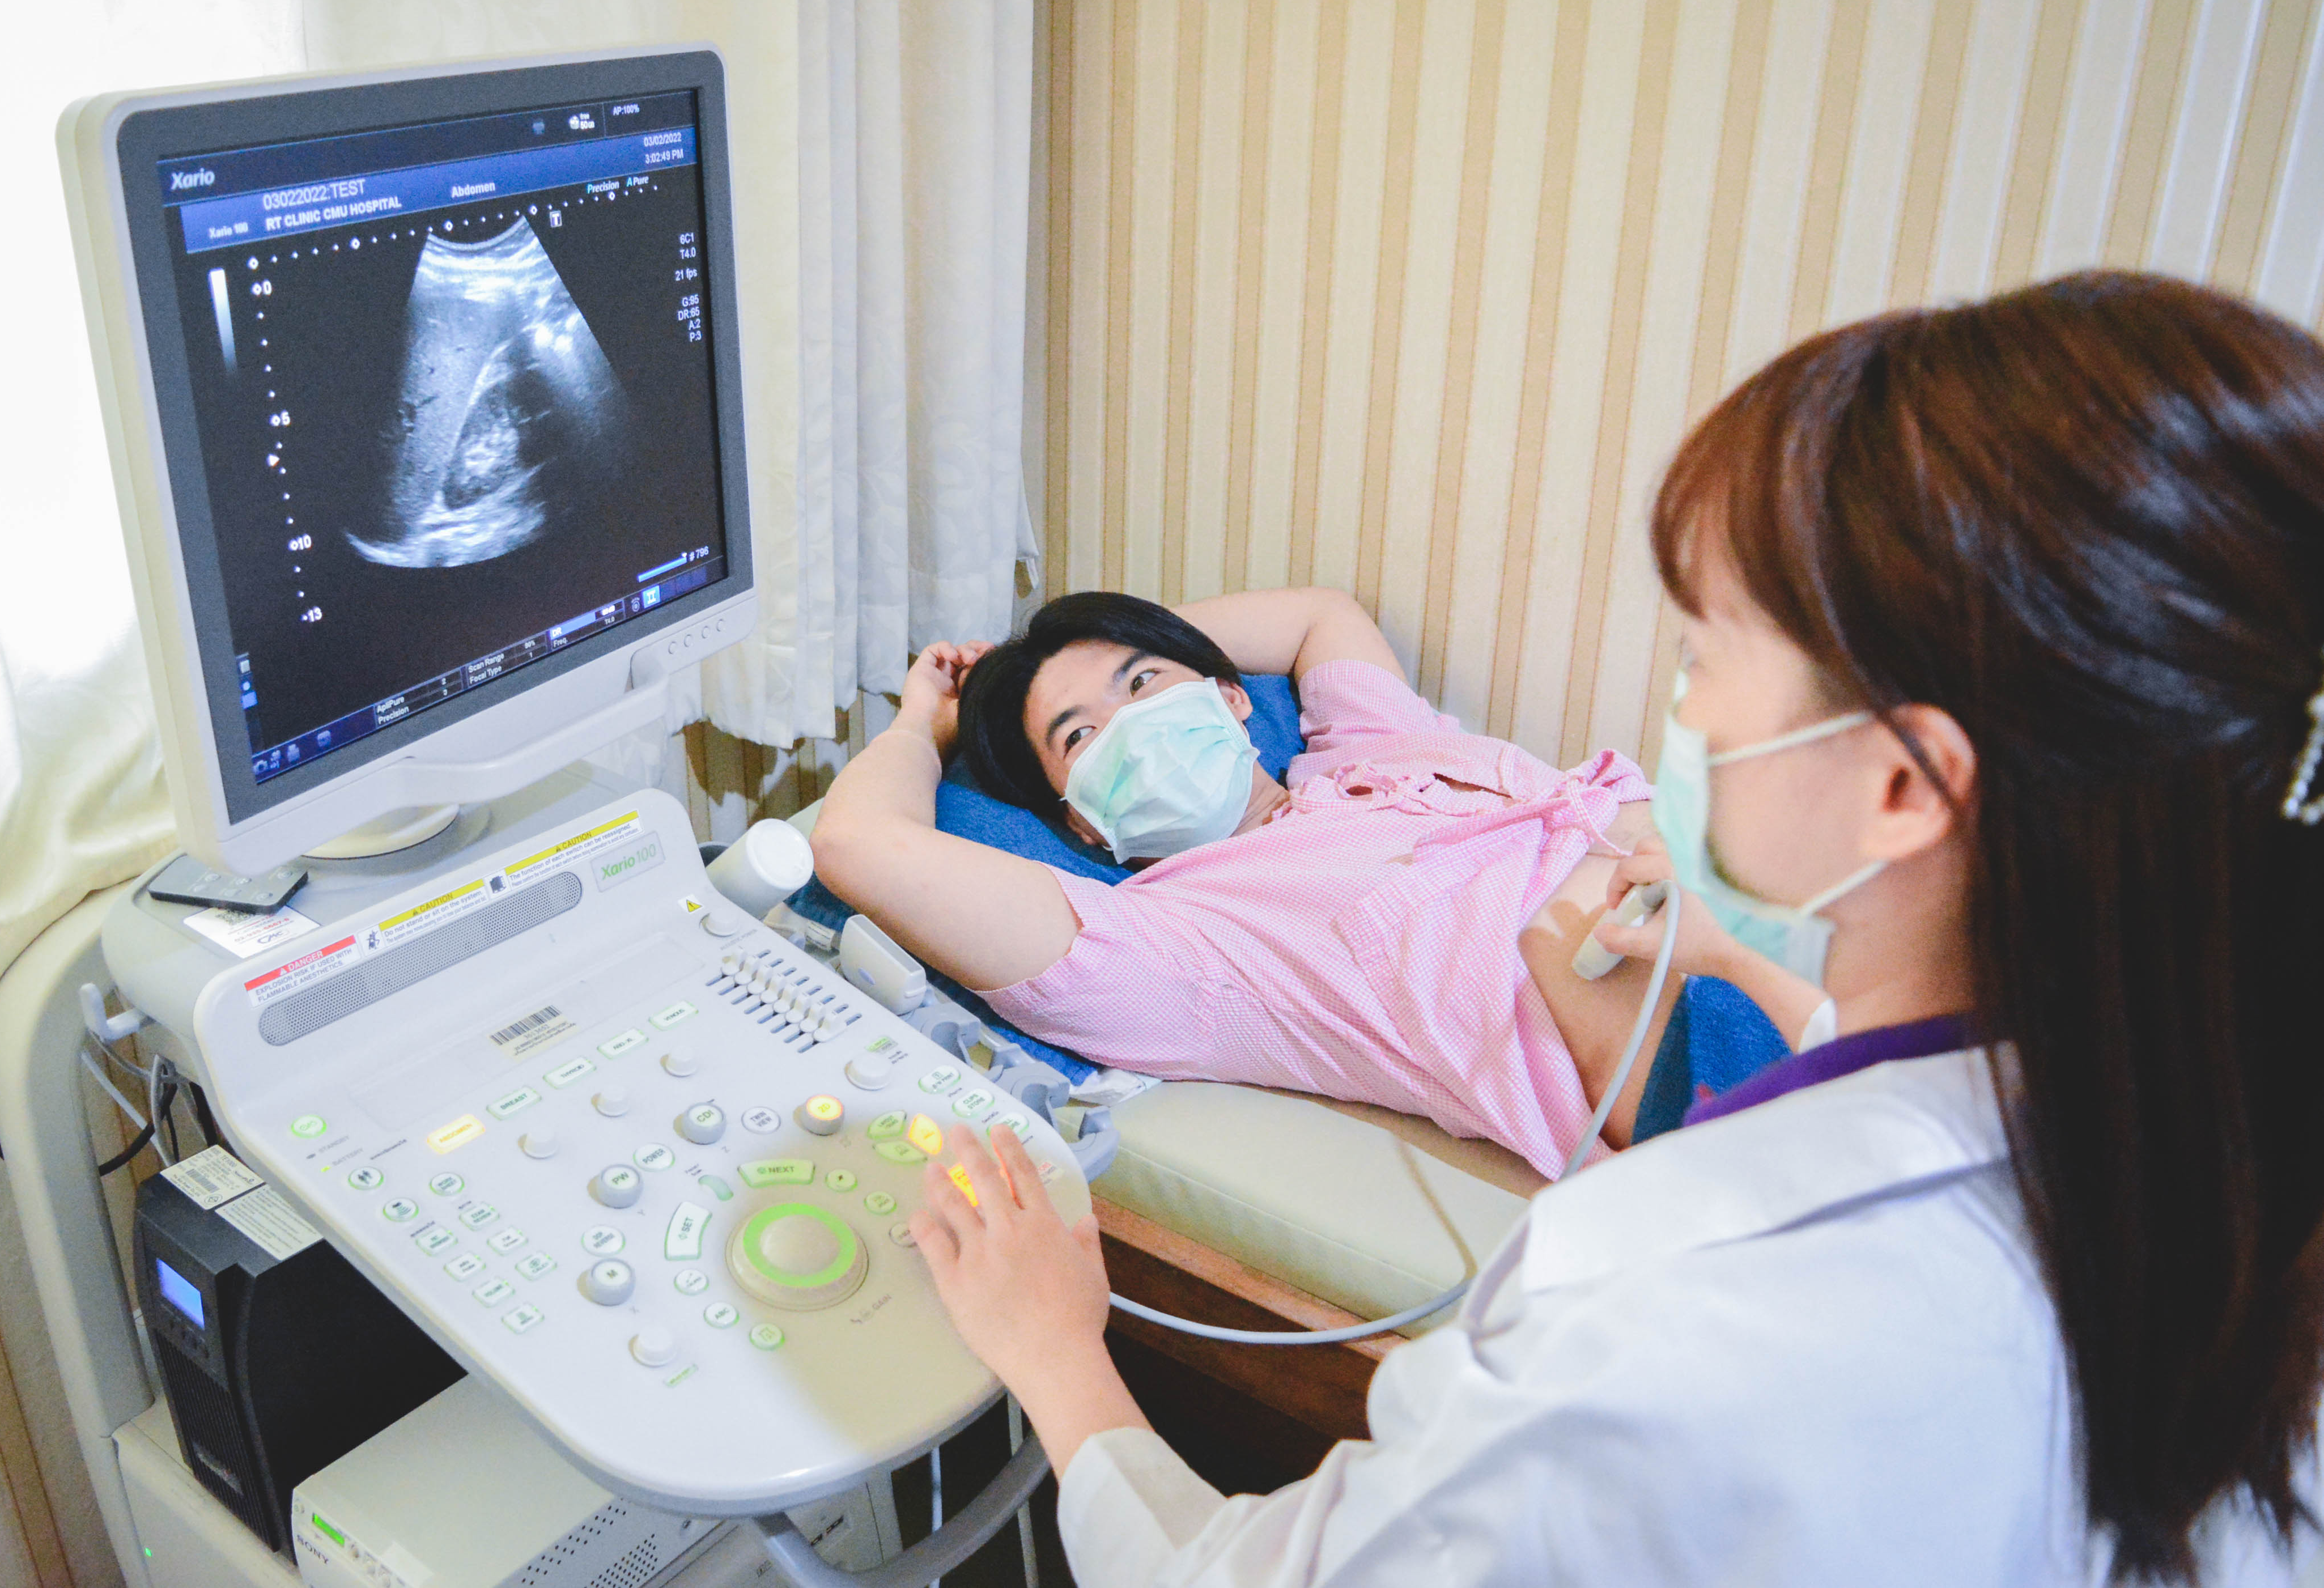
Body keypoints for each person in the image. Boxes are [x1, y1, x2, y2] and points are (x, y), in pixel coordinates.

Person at [906, 271, 2324, 1585]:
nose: (1679, 714)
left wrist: (1054, 1351)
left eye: (1705, 656)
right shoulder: (2196, 1123)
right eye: (1082, 731)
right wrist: (1734, 956)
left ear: (1903, 789)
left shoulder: (1656, 1310)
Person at [811, 587, 1820, 1176]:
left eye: (1143, 683)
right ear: (1080, 820)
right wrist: (927, 723)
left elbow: (1318, 614)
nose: (1130, 726)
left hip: (1807, 917)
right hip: (1728, 1059)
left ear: (1228, 698)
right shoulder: (1176, 944)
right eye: (1080, 736)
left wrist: (1067, 643)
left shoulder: (1367, 747)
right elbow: (857, 843)